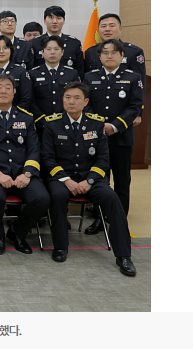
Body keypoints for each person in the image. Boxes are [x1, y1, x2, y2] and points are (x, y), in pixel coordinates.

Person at [42, 82, 136, 276]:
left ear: (85, 102)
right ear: (62, 100)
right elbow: (48, 159)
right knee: (57, 196)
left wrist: (90, 181)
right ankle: (60, 246)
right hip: (62, 179)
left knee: (112, 197)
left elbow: (103, 159)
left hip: (90, 178)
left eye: (76, 98)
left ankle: (124, 255)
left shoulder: (96, 124)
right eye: (67, 97)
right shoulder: (51, 124)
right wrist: (66, 180)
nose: (71, 102)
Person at [0, 73, 49, 255]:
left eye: (8, 87)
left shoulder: (26, 117)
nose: (3, 91)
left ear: (14, 93)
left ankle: (17, 233)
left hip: (22, 173)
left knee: (42, 199)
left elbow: (34, 149)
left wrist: (27, 174)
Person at [82, 39, 144, 227]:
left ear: (122, 56)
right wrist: (100, 125)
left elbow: (135, 106)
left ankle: (119, 220)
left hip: (122, 138)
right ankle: (99, 218)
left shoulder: (133, 77)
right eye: (105, 52)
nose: (109, 56)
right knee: (99, 180)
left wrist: (115, 126)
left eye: (114, 52)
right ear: (99, 56)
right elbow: (86, 105)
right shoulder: (89, 77)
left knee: (122, 181)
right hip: (97, 138)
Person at [83, 12, 147, 92]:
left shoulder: (133, 52)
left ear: (120, 29)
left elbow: (140, 84)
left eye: (112, 25)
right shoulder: (90, 52)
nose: (107, 29)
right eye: (103, 26)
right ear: (98, 30)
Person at [28, 35, 80, 131]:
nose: (52, 52)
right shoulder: (33, 74)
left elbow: (77, 98)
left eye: (56, 49)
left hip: (66, 124)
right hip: (41, 125)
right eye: (48, 49)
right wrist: (41, 121)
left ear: (62, 52)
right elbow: (30, 100)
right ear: (42, 52)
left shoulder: (72, 73)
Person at [30, 6, 84, 74]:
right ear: (44, 20)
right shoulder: (34, 43)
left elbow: (80, 70)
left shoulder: (74, 43)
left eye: (58, 18)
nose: (55, 21)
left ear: (64, 21)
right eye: (51, 18)